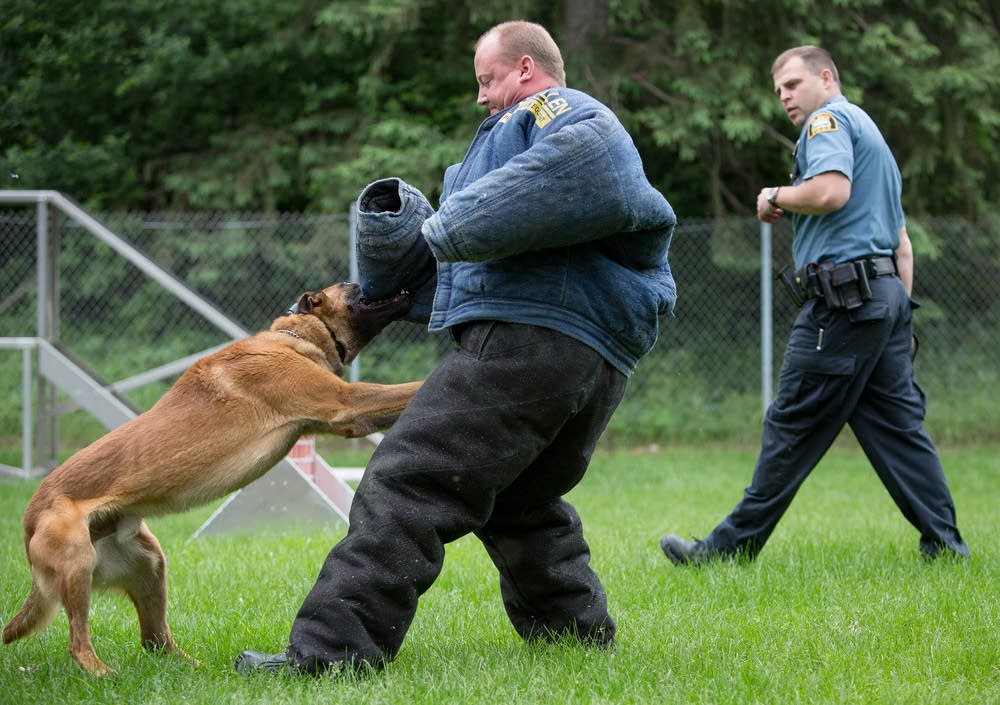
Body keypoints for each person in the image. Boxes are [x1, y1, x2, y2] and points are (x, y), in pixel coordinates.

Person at [236, 20, 676, 675]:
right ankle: (578, 641)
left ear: (526, 69)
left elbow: (592, 160)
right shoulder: (511, 152)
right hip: (588, 353)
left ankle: (332, 654)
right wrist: (399, 256)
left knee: (408, 479)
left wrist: (444, 225)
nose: (481, 97)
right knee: (520, 499)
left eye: (487, 79)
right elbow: (482, 253)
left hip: (534, 339)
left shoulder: (557, 110)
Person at [660, 45, 969, 567]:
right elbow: (902, 242)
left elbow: (829, 192)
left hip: (845, 304)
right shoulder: (874, 137)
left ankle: (725, 551)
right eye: (778, 89)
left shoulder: (827, 122)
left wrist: (774, 195)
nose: (784, 96)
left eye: (793, 84)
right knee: (899, 431)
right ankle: (946, 547)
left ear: (826, 77)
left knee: (792, 423)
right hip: (886, 296)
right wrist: (900, 316)